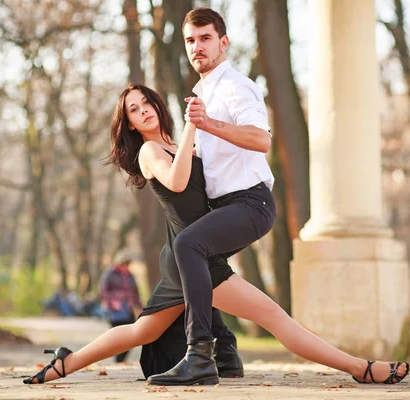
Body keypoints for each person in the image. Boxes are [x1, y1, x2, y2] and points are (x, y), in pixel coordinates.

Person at [22, 84, 410, 387]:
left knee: (143, 330)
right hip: (192, 255)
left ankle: (64, 363)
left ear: (157, 104)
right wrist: (194, 124)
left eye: (146, 103)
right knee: (275, 318)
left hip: (188, 252)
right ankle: (361, 368)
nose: (143, 112)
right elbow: (175, 182)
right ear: (130, 125)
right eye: (134, 111)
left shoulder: (177, 143)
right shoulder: (150, 152)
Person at [146, 7, 277, 385]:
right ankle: (227, 352)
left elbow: (261, 139)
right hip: (226, 205)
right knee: (184, 257)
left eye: (205, 38)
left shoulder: (235, 87)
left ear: (223, 43)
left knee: (188, 246)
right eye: (190, 40)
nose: (197, 47)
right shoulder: (204, 93)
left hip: (251, 202)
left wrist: (209, 124)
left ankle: (198, 356)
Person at [98, 249, 143, 362]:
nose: (126, 266)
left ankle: (121, 359)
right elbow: (103, 290)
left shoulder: (130, 276)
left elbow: (135, 292)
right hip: (115, 309)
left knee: (131, 335)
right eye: (124, 264)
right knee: (117, 335)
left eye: (128, 264)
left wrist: (141, 307)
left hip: (128, 309)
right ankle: (118, 358)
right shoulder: (110, 273)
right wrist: (112, 302)